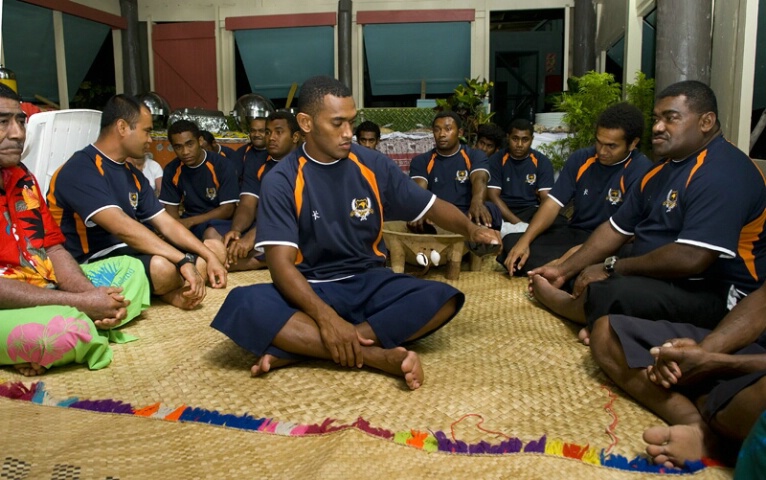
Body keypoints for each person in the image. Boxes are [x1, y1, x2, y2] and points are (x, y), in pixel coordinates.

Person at [210, 76, 500, 389]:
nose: (349, 133)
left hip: (370, 281)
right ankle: (375, 356)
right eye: (338, 123)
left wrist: (471, 230)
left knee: (442, 298)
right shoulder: (281, 179)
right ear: (306, 123)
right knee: (242, 303)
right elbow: (280, 269)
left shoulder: (373, 164)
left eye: (351, 121)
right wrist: (326, 318)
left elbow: (429, 205)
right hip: (310, 287)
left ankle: (305, 348)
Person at [527, 81, 766, 344]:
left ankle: (563, 304)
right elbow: (614, 229)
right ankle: (609, 319)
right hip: (664, 277)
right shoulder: (660, 171)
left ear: (706, 122)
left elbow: (691, 258)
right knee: (583, 273)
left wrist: (612, 267)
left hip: (720, 293)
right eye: (656, 119)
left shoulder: (723, 171)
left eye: (670, 118)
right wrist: (563, 270)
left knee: (609, 291)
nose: (657, 127)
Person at [0, 83, 150, 376]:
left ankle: (76, 323)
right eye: (3, 122)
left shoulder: (22, 177)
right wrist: (81, 302)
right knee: (66, 332)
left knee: (133, 272)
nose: (18, 133)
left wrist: (92, 295)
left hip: (43, 284)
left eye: (20, 120)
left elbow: (54, 247)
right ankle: (73, 325)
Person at [48, 94, 228, 310]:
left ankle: (168, 289)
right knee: (164, 267)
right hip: (91, 261)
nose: (150, 140)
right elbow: (123, 228)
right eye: (147, 131)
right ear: (123, 127)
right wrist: (183, 260)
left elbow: (166, 223)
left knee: (214, 248)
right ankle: (169, 287)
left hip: (131, 252)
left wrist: (207, 255)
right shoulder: (81, 169)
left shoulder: (132, 174)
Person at [589, 282, 766, 467]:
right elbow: (763, 300)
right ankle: (701, 429)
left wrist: (715, 363)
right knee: (607, 332)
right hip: (755, 349)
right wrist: (702, 352)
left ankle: (717, 417)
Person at [501, 103, 652, 274]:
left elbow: (632, 233)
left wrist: (577, 254)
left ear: (633, 144)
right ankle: (563, 266)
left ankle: (568, 267)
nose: (602, 151)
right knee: (512, 243)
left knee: (616, 258)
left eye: (611, 146)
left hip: (610, 242)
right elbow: (551, 204)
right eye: (599, 142)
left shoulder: (641, 171)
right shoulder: (581, 158)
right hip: (575, 233)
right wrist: (525, 241)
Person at [221, 111, 301, 271]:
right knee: (215, 235)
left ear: (295, 137)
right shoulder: (258, 162)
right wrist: (236, 231)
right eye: (268, 132)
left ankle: (261, 260)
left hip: (293, 226)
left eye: (279, 132)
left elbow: (291, 212)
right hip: (262, 224)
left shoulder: (304, 164)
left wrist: (252, 236)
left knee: (238, 255)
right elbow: (247, 205)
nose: (271, 138)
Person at [408, 111, 502, 234]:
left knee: (491, 209)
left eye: (448, 129)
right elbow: (419, 190)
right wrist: (421, 209)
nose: (442, 134)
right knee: (413, 213)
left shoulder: (474, 155)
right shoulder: (421, 160)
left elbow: (480, 179)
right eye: (437, 130)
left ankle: (476, 237)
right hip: (437, 216)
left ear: (460, 132)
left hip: (467, 213)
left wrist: (478, 202)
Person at [159, 120, 239, 240]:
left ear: (200, 141)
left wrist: (190, 222)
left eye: (190, 144)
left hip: (219, 222)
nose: (185, 152)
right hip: (190, 221)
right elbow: (172, 212)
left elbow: (227, 209)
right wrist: (176, 229)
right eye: (178, 147)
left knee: (210, 234)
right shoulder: (172, 170)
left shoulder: (222, 165)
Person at [487, 118, 555, 237]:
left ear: (532, 139)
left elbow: (546, 199)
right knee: (485, 214)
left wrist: (536, 224)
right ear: (508, 137)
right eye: (515, 139)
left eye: (525, 140)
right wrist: (518, 224)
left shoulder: (542, 162)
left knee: (558, 222)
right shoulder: (496, 160)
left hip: (530, 210)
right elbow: (493, 196)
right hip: (502, 210)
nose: (519, 145)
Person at [229, 116, 269, 182]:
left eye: (261, 131)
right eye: (253, 131)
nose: (256, 134)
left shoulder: (275, 154)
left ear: (268, 132)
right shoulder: (242, 152)